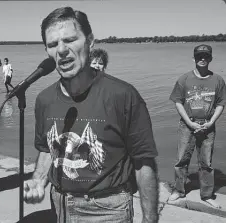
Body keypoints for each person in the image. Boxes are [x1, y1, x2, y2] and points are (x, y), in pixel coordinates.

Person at [24, 7, 159, 223]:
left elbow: (144, 163)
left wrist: (150, 219)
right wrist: (39, 180)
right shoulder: (44, 100)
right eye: (52, 44)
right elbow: (47, 149)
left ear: (90, 41)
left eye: (70, 40)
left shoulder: (123, 95)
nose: (61, 50)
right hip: (59, 205)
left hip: (108, 210)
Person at [169, 44, 226, 209]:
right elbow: (178, 102)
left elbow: (221, 104)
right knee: (181, 160)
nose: (202, 59)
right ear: (193, 58)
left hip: (208, 126)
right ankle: (179, 190)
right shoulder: (184, 79)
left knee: (206, 162)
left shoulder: (218, 80)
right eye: (199, 56)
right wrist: (189, 122)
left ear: (211, 59)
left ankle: (207, 194)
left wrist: (211, 122)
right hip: (187, 125)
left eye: (206, 56)